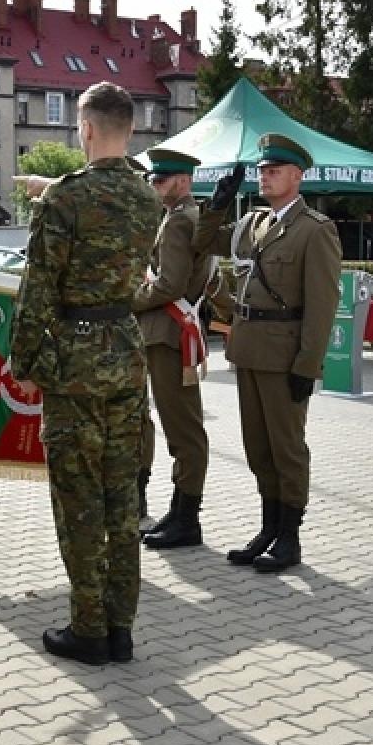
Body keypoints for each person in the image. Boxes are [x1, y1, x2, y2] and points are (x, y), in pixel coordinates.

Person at [9, 82, 160, 666]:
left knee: (79, 499)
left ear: (87, 129)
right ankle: (121, 626)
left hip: (74, 359)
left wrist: (24, 362)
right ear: (131, 129)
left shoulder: (65, 199)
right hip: (125, 348)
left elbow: (38, 289)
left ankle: (88, 627)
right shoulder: (147, 197)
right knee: (122, 496)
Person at [218, 133, 341, 572]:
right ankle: (268, 528)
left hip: (284, 356)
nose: (264, 177)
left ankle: (290, 537)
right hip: (249, 349)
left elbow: (322, 305)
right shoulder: (254, 223)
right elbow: (203, 244)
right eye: (262, 170)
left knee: (286, 448)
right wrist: (216, 206)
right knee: (257, 447)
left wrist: (307, 365)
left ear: (297, 176)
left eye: (274, 171)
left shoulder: (315, 230)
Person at [134, 146, 211, 550]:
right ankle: (180, 511)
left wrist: (128, 299)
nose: (154, 186)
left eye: (161, 180)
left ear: (183, 181)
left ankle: (187, 517)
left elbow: (169, 285)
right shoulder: (182, 217)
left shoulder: (180, 220)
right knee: (182, 427)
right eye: (153, 179)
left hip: (168, 334)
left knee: (183, 429)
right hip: (169, 333)